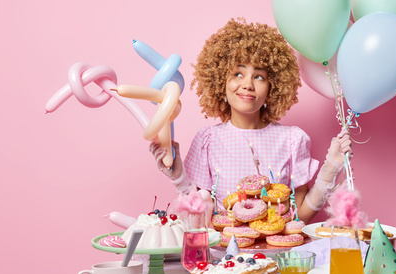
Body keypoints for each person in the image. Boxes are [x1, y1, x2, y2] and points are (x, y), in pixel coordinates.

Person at [149, 18, 351, 224]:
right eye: (238, 73)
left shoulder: (292, 139)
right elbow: (200, 216)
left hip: (277, 253)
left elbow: (299, 216)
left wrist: (330, 169)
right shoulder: (207, 140)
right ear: (221, 82)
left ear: (273, 87)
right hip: (224, 254)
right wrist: (178, 176)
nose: (247, 84)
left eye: (259, 77)